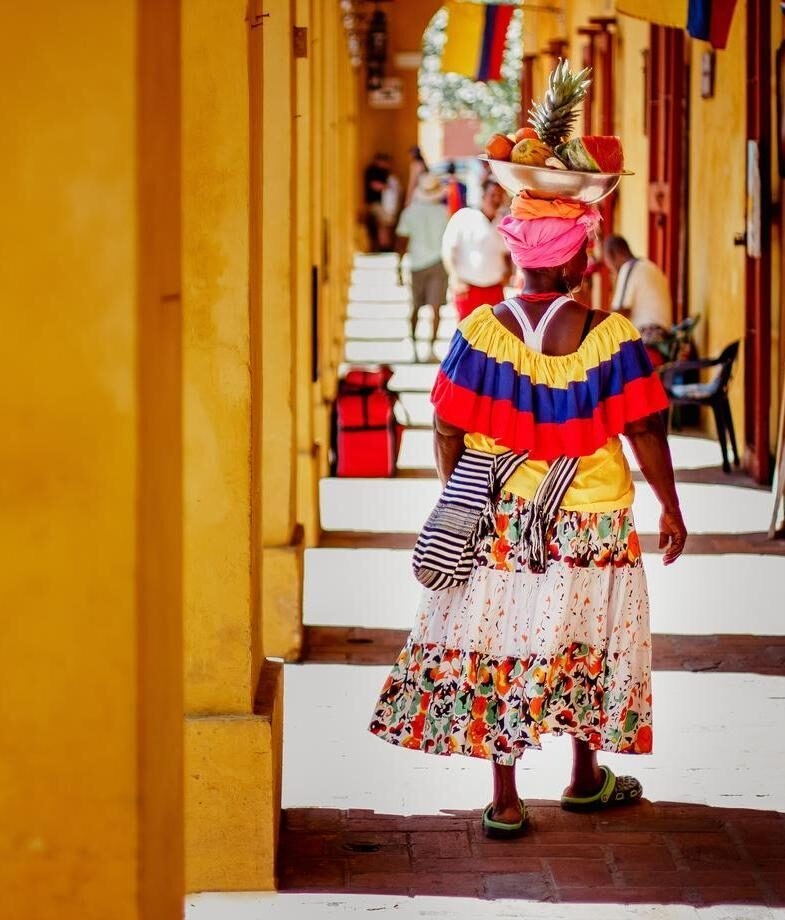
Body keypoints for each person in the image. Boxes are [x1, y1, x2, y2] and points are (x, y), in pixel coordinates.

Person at [369, 191, 687, 837]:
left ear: (517, 254)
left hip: (504, 517)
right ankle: (583, 777)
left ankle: (507, 800)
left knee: (503, 640)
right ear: (578, 259)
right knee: (587, 640)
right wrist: (670, 506)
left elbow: (445, 425)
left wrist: (457, 495)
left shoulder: (479, 332)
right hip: (592, 521)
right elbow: (646, 427)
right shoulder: (611, 336)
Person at [394, 173, 450, 363]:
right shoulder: (444, 212)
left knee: (416, 307)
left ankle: (413, 347)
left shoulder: (409, 212)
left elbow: (402, 241)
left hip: (416, 263)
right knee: (436, 309)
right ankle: (431, 349)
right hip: (438, 262)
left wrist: (399, 267)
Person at [441, 179, 513, 321]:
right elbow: (448, 251)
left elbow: (507, 253)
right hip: (468, 289)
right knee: (468, 337)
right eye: (492, 195)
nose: (496, 199)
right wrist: (455, 277)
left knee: (493, 337)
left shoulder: (504, 222)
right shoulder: (464, 217)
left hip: (495, 290)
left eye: (499, 195)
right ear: (483, 196)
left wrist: (508, 273)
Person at [603, 235, 673, 361]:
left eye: (610, 265)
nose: (613, 271)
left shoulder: (629, 268)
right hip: (663, 339)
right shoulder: (650, 267)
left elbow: (619, 313)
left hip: (649, 338)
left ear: (613, 254)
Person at [363, 153, 394, 252]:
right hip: (377, 203)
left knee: (383, 225)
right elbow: (374, 185)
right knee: (382, 225)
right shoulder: (373, 172)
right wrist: (386, 187)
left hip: (379, 203)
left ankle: (384, 244)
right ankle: (384, 246)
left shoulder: (380, 172)